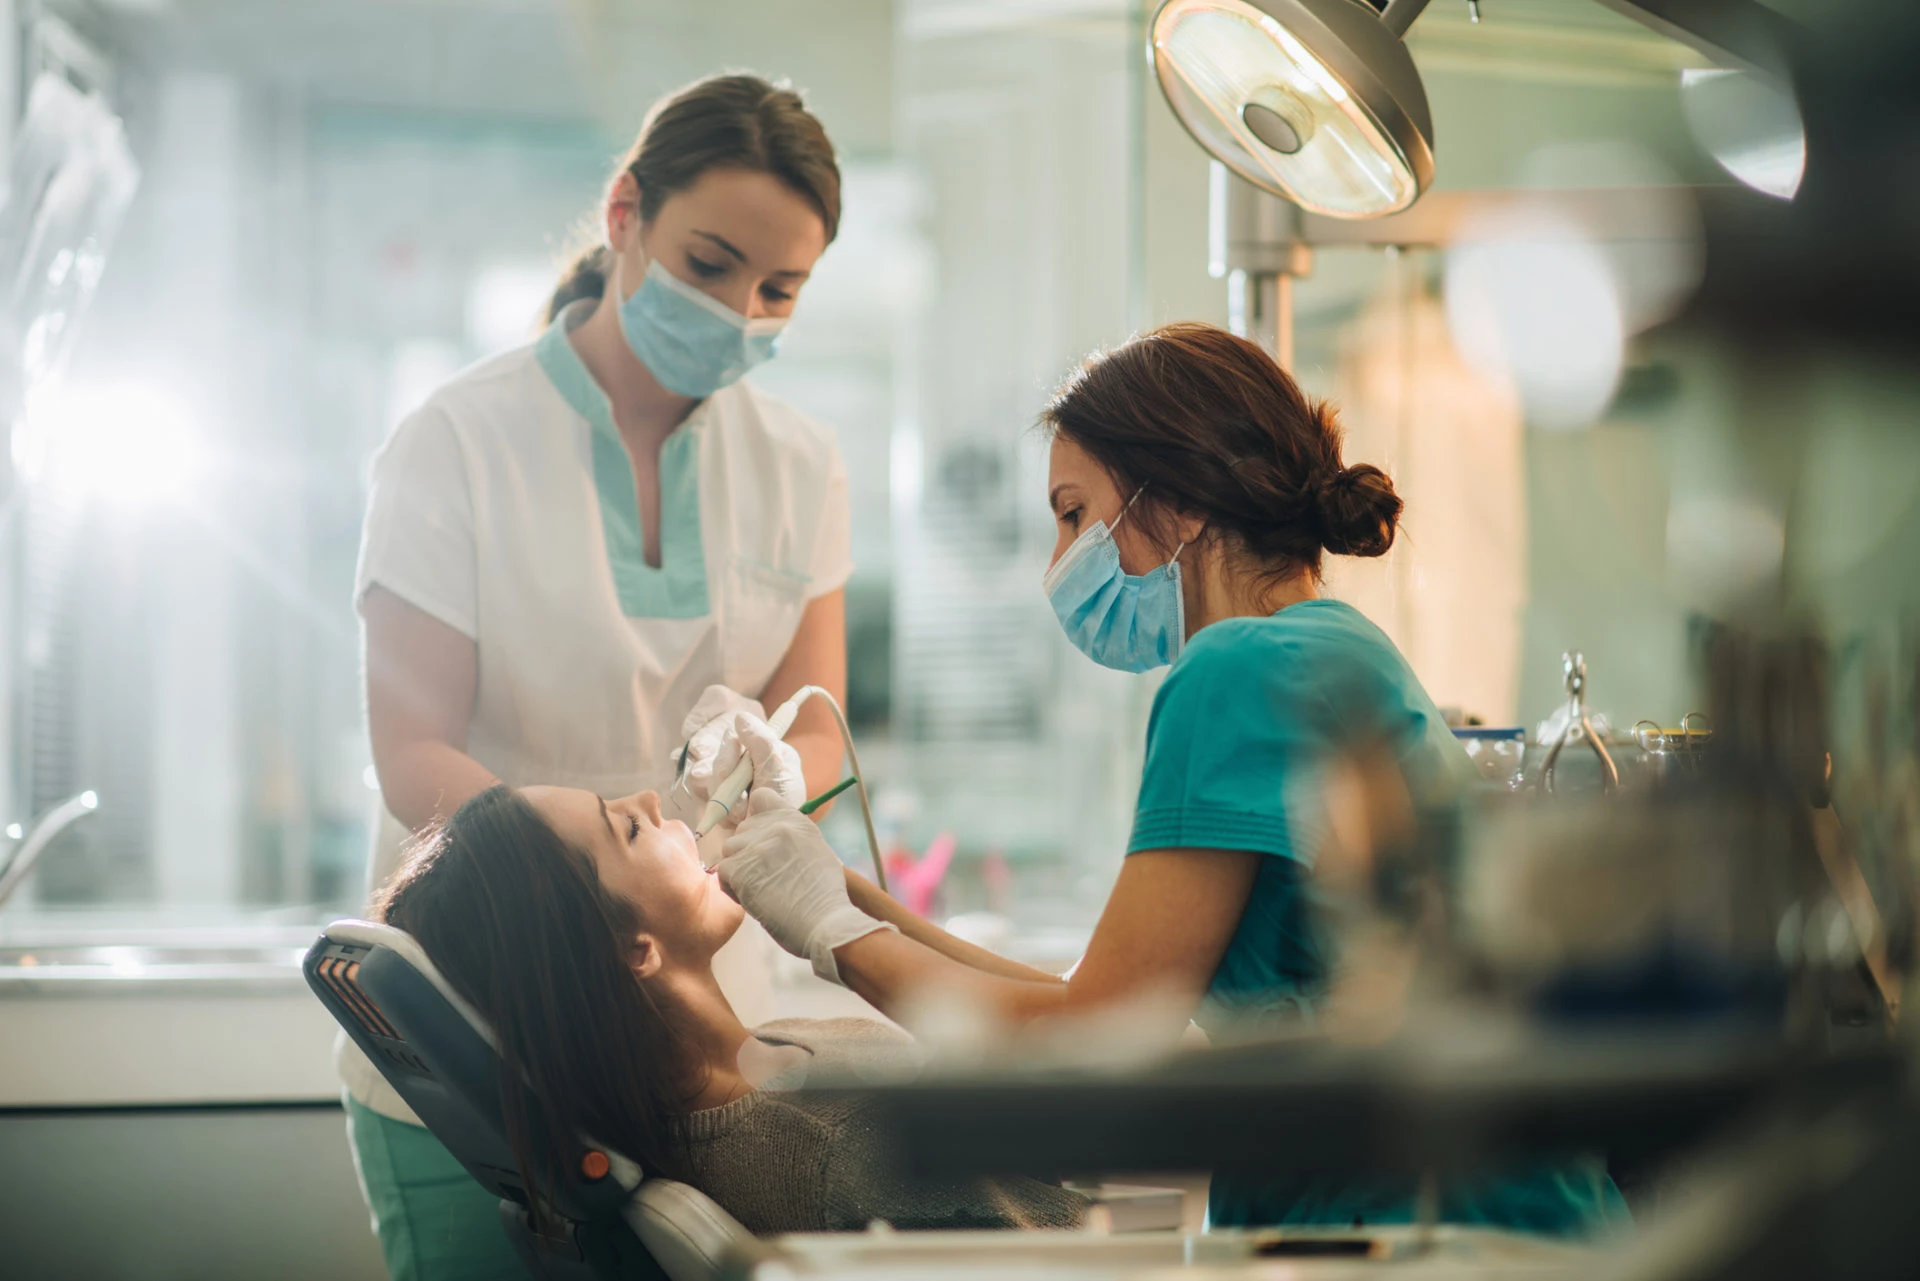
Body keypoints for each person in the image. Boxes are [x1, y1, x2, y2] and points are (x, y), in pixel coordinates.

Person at [715, 322, 1630, 1236]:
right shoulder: (1327, 645)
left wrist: (829, 932)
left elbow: (1098, 1034)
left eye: (1074, 514)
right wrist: (830, 886)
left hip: (1421, 1220)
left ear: (1181, 499)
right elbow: (1098, 993)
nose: (1057, 562)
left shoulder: (1234, 669)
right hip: (1475, 1209)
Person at [346, 73, 855, 1279]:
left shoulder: (801, 463)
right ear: (624, 213)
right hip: (475, 1020)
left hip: (698, 1044)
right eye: (711, 262)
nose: (740, 310)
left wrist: (774, 775)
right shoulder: (454, 443)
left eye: (779, 288)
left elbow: (824, 728)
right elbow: (415, 754)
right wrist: (617, 862)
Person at [378, 782, 1089, 1236]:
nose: (652, 800)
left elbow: (1059, 1027)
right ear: (634, 951)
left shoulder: (772, 1061)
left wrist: (838, 892)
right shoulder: (832, 1146)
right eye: (624, 827)